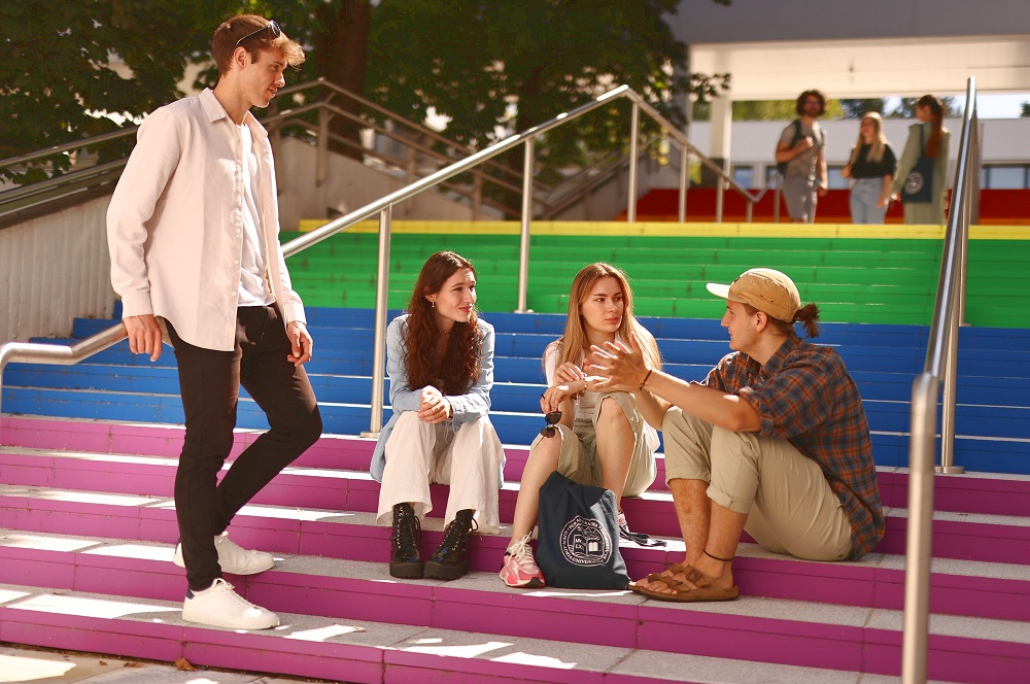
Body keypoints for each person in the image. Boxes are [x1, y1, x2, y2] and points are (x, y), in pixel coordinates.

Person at [106, 15, 321, 630]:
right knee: (208, 445)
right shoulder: (175, 124)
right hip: (201, 312)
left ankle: (204, 529)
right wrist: (137, 301)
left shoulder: (257, 139)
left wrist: (291, 309)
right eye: (274, 67)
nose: (280, 79)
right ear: (239, 59)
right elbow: (127, 217)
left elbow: (269, 238)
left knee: (301, 422)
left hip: (258, 308)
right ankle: (202, 588)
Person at [587, 268, 884, 602]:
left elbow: (740, 416)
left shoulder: (817, 366)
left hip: (834, 529)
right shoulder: (736, 366)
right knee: (683, 419)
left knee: (736, 425)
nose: (723, 322)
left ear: (759, 320)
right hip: (777, 526)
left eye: (731, 311)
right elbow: (663, 420)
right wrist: (637, 384)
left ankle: (717, 571)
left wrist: (649, 376)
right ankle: (697, 560)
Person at [499, 263, 662, 588]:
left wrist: (580, 385)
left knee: (615, 401)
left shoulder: (636, 343)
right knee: (551, 437)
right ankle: (516, 552)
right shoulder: (560, 353)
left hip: (629, 464)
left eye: (617, 298)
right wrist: (563, 399)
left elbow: (656, 418)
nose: (612, 307)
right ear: (580, 306)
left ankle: (610, 514)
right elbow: (566, 431)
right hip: (583, 460)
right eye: (600, 299)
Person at [371, 251, 504, 582]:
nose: (469, 298)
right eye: (458, 289)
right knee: (412, 414)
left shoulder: (482, 332)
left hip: (461, 454)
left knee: (479, 422)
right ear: (431, 294)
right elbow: (398, 395)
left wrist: (450, 405)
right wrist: (426, 398)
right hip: (418, 452)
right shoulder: (402, 329)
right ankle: (405, 531)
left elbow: (481, 398)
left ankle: (458, 533)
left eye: (472, 288)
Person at [891, 95, 951, 225]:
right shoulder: (944, 135)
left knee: (915, 232)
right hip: (935, 189)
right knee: (934, 232)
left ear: (927, 109)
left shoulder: (917, 131)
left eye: (918, 109)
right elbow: (944, 169)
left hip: (916, 186)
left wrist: (896, 186)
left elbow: (907, 161)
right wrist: (943, 194)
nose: (916, 113)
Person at [775, 90, 829, 223]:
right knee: (799, 220)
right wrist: (800, 148)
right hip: (793, 179)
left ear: (821, 106)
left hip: (811, 183)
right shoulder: (792, 129)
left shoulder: (820, 132)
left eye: (816, 103)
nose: (813, 106)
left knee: (808, 224)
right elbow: (779, 156)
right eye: (809, 102)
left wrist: (823, 181)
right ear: (802, 105)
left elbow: (820, 160)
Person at [840, 112, 897, 224]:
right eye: (863, 124)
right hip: (857, 190)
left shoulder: (884, 148)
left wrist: (885, 195)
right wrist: (844, 174)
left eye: (869, 124)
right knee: (858, 230)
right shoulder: (855, 149)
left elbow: (888, 175)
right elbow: (853, 173)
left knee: (874, 229)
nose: (865, 127)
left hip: (876, 190)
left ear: (877, 127)